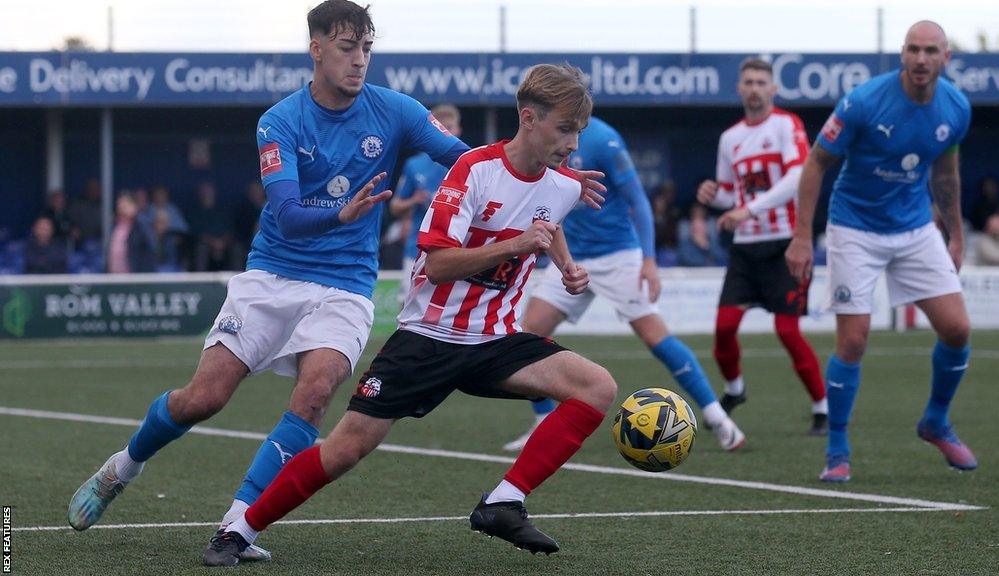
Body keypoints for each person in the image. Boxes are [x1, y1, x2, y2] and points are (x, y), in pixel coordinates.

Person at [67, 1, 604, 564]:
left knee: (318, 390)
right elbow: (292, 217)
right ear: (317, 48)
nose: (359, 61)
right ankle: (122, 467)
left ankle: (237, 524)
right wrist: (341, 215)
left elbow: (471, 161)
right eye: (348, 48)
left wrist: (553, 178)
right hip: (273, 273)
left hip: (347, 283)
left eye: (367, 49)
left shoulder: (396, 110)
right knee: (205, 397)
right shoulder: (279, 120)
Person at [204, 63, 614, 566]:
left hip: (495, 340)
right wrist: (517, 243)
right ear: (529, 118)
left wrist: (567, 266)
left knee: (597, 386)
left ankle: (504, 502)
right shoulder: (472, 172)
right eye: (565, 129)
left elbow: (546, 216)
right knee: (345, 449)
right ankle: (238, 530)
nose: (573, 143)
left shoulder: (564, 184)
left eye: (579, 131)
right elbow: (439, 264)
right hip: (428, 337)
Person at [785, 21, 976, 483]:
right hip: (855, 227)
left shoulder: (956, 107)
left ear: (945, 57)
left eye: (931, 51)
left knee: (956, 329)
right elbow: (815, 164)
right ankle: (837, 450)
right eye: (913, 49)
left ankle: (935, 421)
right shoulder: (864, 101)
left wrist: (953, 232)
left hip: (914, 227)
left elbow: (946, 173)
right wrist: (803, 236)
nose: (921, 59)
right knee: (853, 341)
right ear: (902, 54)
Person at [503, 116, 745, 454]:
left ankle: (718, 418)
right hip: (571, 256)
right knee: (525, 334)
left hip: (619, 256)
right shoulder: (544, 136)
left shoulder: (604, 138)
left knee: (655, 337)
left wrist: (649, 260)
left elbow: (639, 201)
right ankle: (543, 421)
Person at [697, 57, 827, 436]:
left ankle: (822, 408)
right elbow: (729, 195)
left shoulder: (787, 125)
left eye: (761, 82)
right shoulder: (730, 138)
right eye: (748, 82)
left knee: (787, 331)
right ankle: (735, 390)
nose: (754, 88)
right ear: (739, 89)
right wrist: (713, 195)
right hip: (746, 248)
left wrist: (745, 209)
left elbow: (798, 176)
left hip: (786, 245)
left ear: (773, 89)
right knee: (724, 329)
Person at [390, 104, 463, 299]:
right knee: (407, 302)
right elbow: (395, 206)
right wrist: (413, 200)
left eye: (450, 127)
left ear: (458, 130)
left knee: (448, 305)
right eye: (442, 127)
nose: (446, 132)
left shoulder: (467, 162)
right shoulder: (414, 165)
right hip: (416, 247)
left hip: (456, 249)